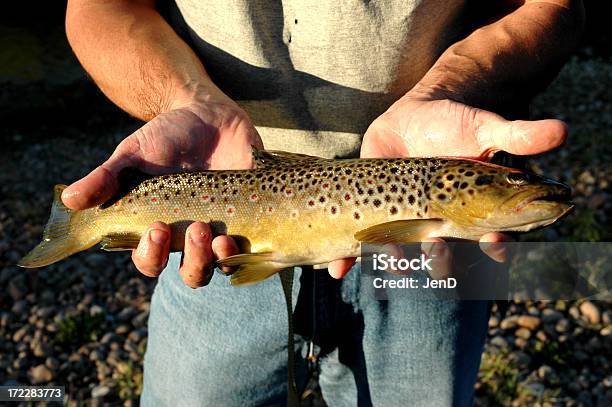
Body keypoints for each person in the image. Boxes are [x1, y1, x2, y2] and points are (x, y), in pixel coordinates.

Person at [63, 0, 584, 405]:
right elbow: (99, 9)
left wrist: (458, 83)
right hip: (216, 218)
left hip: (429, 259)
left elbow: (554, 6)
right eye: (507, 187)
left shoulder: (444, 207)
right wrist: (183, 99)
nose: (523, 192)